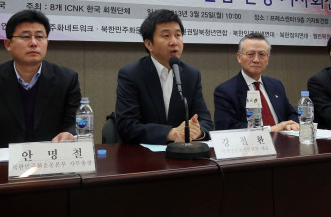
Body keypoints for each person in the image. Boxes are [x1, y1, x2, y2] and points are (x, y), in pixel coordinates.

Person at [0, 10, 81, 159]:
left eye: (40, 37)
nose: (34, 43)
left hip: (53, 164)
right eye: (25, 36)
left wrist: (71, 134)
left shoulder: (67, 79)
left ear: (46, 43)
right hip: (3, 167)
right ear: (8, 44)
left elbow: (75, 123)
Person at [115, 9, 213, 144]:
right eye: (166, 36)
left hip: (183, 156)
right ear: (149, 44)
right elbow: (127, 126)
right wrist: (171, 133)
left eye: (178, 35)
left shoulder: (191, 75)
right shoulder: (131, 74)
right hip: (142, 157)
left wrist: (196, 132)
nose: (174, 42)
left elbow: (206, 121)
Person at [214, 33, 299, 131]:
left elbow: (291, 113)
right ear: (239, 57)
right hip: (249, 144)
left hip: (283, 142)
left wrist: (291, 124)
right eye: (250, 54)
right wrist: (270, 130)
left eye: (262, 55)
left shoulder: (276, 84)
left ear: (268, 59)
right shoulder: (225, 91)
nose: (256, 60)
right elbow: (226, 126)